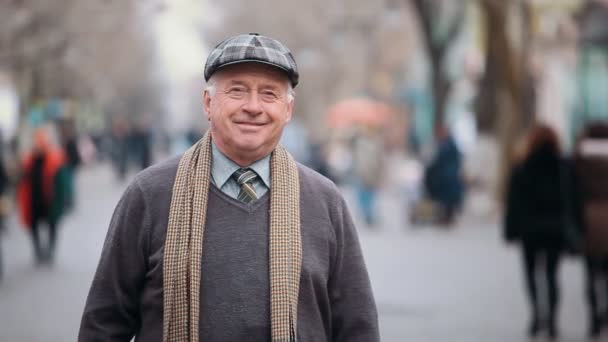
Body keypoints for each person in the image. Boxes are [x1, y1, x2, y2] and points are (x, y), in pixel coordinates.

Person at [79, 33, 379, 342]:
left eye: (269, 94)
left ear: (287, 110)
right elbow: (104, 324)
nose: (253, 106)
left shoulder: (324, 201)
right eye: (237, 91)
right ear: (208, 102)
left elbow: (357, 327)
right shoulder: (150, 194)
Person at [504, 124, 571, 339]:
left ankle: (536, 315)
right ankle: (551, 320)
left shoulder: (522, 167)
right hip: (555, 228)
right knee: (552, 276)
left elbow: (513, 203)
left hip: (529, 230)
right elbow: (571, 200)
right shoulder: (564, 167)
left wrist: (510, 230)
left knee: (531, 274)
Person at [573, 122, 608, 338]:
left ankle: (595, 316)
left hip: (589, 222)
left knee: (591, 273)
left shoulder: (580, 157)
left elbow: (572, 190)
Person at [17, 128, 69, 265]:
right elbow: (22, 181)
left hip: (50, 201)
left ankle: (50, 250)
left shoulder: (55, 160)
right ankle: (38, 251)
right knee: (33, 226)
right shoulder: (28, 161)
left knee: (52, 225)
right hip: (33, 201)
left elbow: (63, 183)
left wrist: (65, 200)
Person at [423, 125, 464, 225]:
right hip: (445, 177)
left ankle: (446, 217)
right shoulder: (445, 144)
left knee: (447, 200)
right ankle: (444, 217)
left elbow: (440, 161)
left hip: (447, 178)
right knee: (444, 200)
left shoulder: (449, 145)